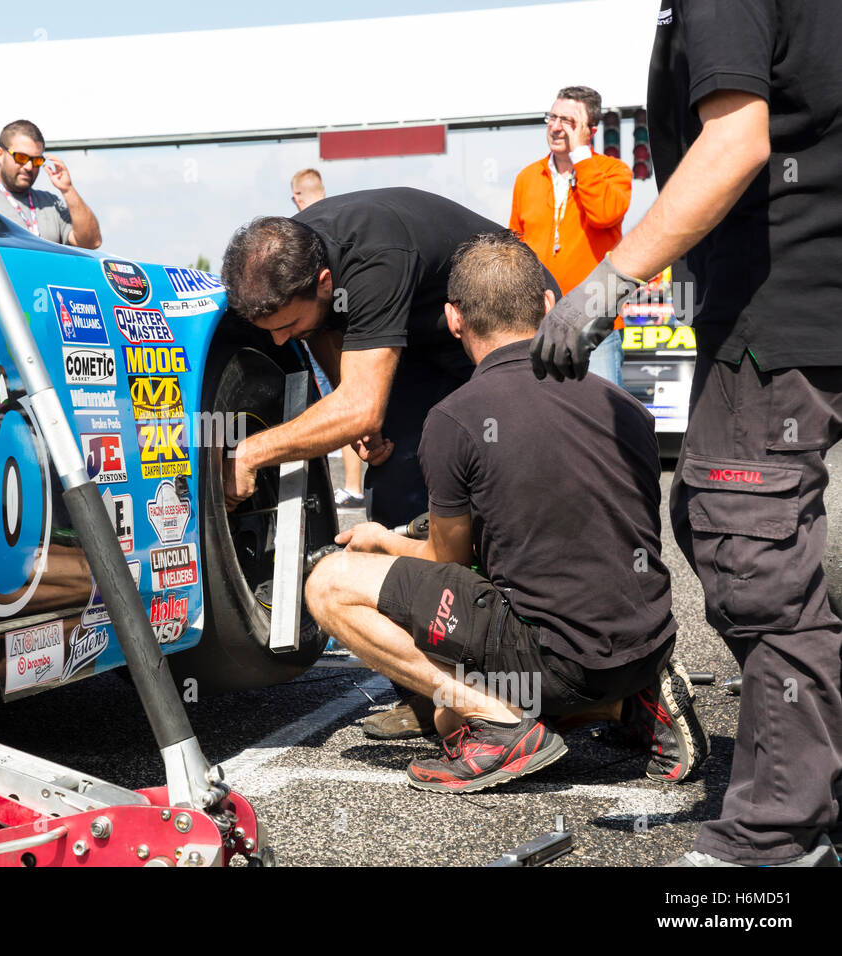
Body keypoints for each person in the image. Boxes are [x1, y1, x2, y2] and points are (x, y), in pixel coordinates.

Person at [530, 0, 842, 867]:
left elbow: (735, 143)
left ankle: (777, 839)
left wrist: (607, 286)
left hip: (781, 314)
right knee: (728, 527)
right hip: (807, 308)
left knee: (753, 559)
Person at [305, 231, 705, 792]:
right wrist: (398, 538)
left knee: (334, 591)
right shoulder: (624, 406)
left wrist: (385, 544)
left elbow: (447, 563)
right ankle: (628, 706)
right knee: (458, 702)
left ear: (454, 320)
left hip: (558, 663)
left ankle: (502, 725)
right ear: (548, 304)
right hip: (644, 645)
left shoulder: (455, 417)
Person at [220, 187, 558, 739]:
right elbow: (325, 334)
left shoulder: (374, 257)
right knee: (395, 488)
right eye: (271, 331)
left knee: (512, 483)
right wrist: (357, 414)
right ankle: (434, 692)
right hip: (420, 341)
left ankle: (550, 659)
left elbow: (360, 403)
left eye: (285, 324)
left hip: (496, 318)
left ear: (324, 282)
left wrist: (253, 451)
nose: (280, 341)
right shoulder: (299, 261)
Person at [510, 86, 631, 386]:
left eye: (568, 121)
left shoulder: (614, 171)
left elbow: (604, 215)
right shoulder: (527, 177)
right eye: (552, 117)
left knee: (599, 410)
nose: (555, 126)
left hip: (595, 320)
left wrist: (581, 156)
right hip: (538, 321)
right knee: (541, 407)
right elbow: (516, 246)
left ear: (591, 130)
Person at [288, 167, 365, 509]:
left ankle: (351, 486)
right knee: (350, 397)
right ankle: (356, 485)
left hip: (325, 333)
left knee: (340, 402)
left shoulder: (300, 234)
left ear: (296, 198)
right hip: (356, 329)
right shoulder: (342, 223)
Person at [0, 119, 101, 248]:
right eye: (21, 157)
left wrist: (67, 190)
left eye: (36, 160)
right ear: (0, 154)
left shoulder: (51, 204)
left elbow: (92, 242)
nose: (29, 166)